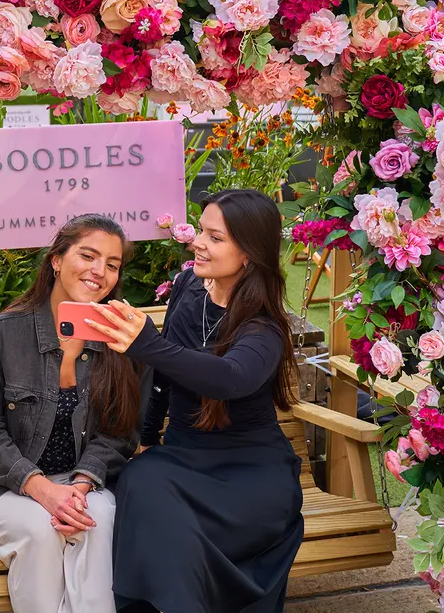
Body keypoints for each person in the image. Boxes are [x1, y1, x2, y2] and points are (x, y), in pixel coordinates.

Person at [88, 189, 304, 613]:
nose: (198, 243)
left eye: (215, 237)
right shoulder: (189, 287)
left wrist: (147, 344)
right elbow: (165, 378)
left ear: (249, 253)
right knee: (140, 481)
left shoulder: (264, 328)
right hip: (185, 457)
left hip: (251, 476)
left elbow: (230, 378)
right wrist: (147, 437)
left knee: (174, 522)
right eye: (201, 231)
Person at [0, 214, 151, 613]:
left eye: (112, 263)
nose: (99, 271)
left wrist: (82, 485)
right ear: (56, 259)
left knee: (99, 520)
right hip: (1, 488)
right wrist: (41, 489)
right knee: (40, 530)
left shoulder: (121, 339)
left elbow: (120, 433)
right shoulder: (2, 336)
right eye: (87, 255)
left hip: (79, 484)